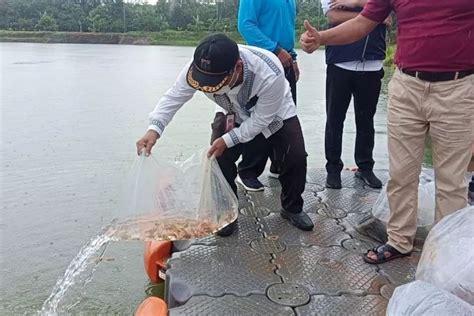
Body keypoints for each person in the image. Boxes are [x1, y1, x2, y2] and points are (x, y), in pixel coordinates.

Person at [300, 0, 474, 264]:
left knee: (452, 182)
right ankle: (399, 241)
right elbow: (362, 24)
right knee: (402, 174)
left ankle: (446, 257)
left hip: (458, 87)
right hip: (407, 86)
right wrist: (321, 38)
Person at [136, 33, 314, 236]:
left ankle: (292, 208)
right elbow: (174, 97)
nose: (206, 86)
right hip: (230, 110)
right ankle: (226, 213)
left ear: (237, 67)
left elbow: (261, 120)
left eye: (215, 81)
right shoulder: (196, 69)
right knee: (218, 158)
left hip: (274, 112)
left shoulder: (269, 72)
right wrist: (154, 129)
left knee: (295, 156)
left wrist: (228, 139)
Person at [223, 0, 299, 192]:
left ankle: (278, 164)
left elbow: (287, 28)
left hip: (286, 59)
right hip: (263, 63)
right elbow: (246, 25)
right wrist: (275, 49)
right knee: (259, 117)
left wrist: (293, 57)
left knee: (284, 117)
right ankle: (248, 171)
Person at [321, 0, 386, 189]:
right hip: (340, 63)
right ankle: (333, 169)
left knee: (366, 121)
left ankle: (365, 167)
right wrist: (373, 17)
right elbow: (333, 16)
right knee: (334, 120)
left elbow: (388, 17)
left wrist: (352, 3)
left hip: (373, 63)